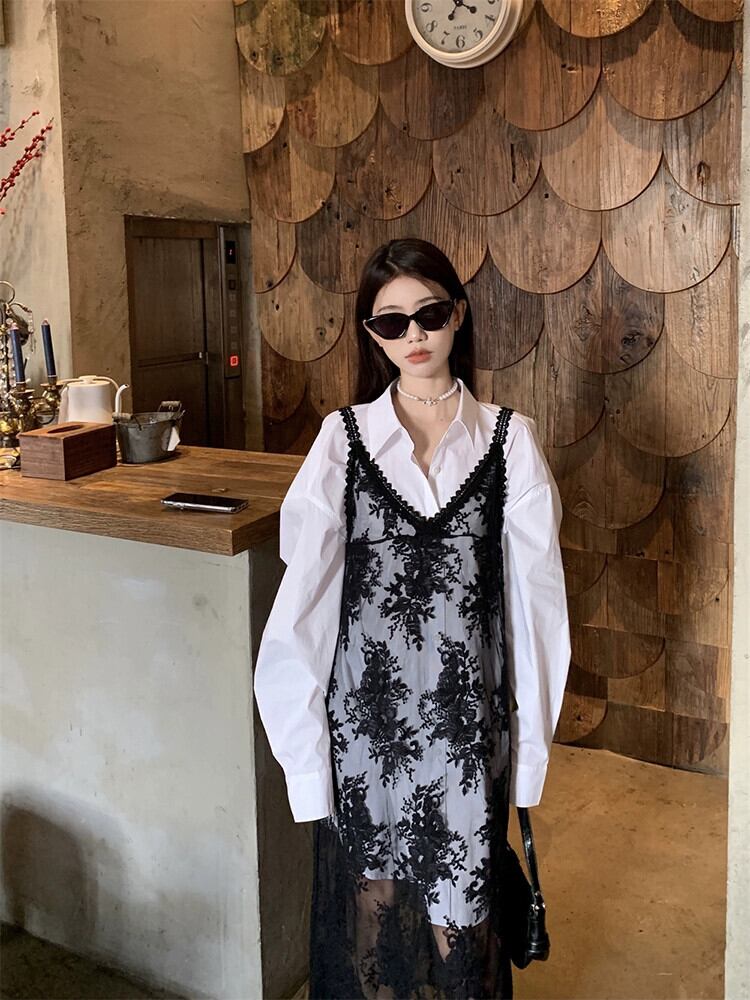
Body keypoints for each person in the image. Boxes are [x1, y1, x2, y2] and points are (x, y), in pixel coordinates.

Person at [253, 237, 571, 999]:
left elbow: (537, 611)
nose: (414, 335)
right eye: (390, 322)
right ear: (372, 334)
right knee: (375, 915)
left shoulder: (509, 443)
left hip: (466, 738)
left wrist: (529, 755)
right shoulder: (342, 441)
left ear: (457, 314)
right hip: (368, 735)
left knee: (462, 924)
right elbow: (304, 610)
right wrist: (306, 764)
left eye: (428, 314)